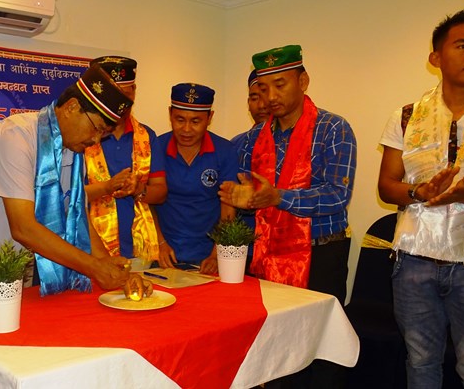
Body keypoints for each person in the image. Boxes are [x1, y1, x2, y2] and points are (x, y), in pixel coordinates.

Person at [0, 64, 152, 302]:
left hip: (13, 272)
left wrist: (111, 268)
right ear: (72, 107)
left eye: (103, 135)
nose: (95, 140)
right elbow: (24, 228)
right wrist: (95, 268)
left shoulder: (73, 151)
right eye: (96, 129)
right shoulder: (17, 136)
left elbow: (77, 215)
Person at [377, 7, 464, 388]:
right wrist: (419, 191)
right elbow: (387, 186)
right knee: (420, 364)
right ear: (436, 58)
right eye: (463, 45)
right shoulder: (406, 115)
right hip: (415, 261)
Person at [219, 45, 357, 388]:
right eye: (263, 88)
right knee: (275, 351)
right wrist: (243, 200)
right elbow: (246, 196)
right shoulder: (253, 139)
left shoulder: (333, 129)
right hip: (267, 255)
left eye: (281, 84)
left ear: (304, 81)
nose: (271, 96)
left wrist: (277, 197)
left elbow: (338, 195)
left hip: (321, 253)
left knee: (320, 352)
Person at [84, 56, 167, 266]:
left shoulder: (147, 137)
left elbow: (160, 191)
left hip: (139, 248)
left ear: (135, 91)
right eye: (112, 96)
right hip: (91, 249)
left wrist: (138, 189)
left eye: (125, 95)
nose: (118, 104)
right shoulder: (82, 137)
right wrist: (106, 187)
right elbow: (69, 196)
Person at [153, 83, 237, 274]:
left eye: (196, 121)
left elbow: (228, 205)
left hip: (207, 257)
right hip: (164, 254)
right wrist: (159, 243)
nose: (186, 129)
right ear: (170, 114)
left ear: (210, 118)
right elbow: (147, 201)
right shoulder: (156, 146)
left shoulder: (225, 151)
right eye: (180, 120)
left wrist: (218, 253)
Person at [229, 69, 270, 273]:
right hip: (241, 249)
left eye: (266, 97)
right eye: (254, 98)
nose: (261, 105)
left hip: (280, 252)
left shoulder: (298, 147)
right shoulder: (234, 145)